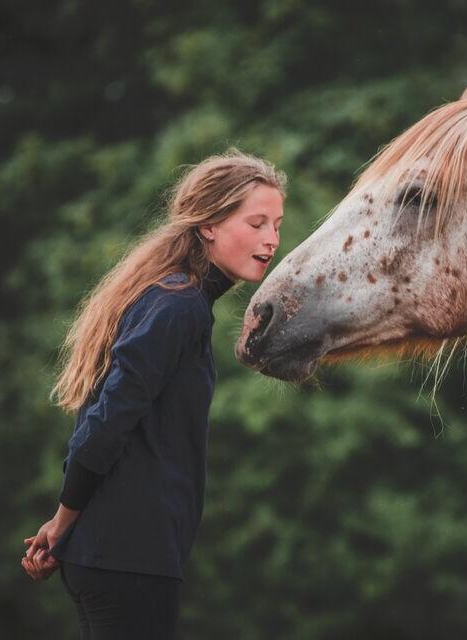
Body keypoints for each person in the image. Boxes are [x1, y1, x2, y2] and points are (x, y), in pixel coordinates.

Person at [20, 148, 285, 639]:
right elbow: (103, 423)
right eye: (256, 223)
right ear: (208, 225)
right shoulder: (177, 307)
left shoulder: (178, 302)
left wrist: (69, 526)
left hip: (124, 554)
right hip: (126, 556)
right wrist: (62, 523)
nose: (271, 239)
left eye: (277, 224)